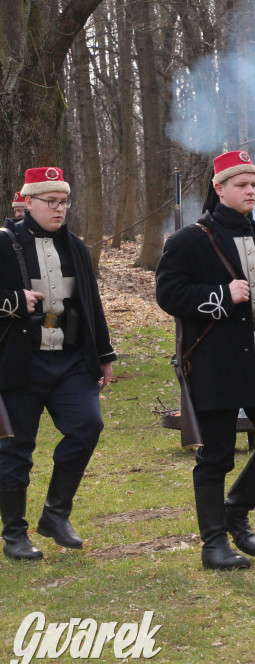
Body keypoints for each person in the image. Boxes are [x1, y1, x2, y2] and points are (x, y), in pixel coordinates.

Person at [155, 151, 255, 570]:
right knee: (216, 455)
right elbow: (169, 294)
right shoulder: (189, 240)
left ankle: (237, 508)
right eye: (241, 185)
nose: (251, 191)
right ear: (219, 188)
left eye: (253, 184)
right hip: (216, 362)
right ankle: (213, 543)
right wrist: (220, 295)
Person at [0, 167, 116, 561]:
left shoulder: (76, 247)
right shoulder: (4, 243)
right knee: (16, 449)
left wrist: (104, 355)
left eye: (63, 202)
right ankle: (15, 534)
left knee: (87, 425)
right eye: (50, 201)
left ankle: (55, 514)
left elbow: (91, 303)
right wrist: (14, 301)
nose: (59, 209)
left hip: (70, 358)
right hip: (20, 361)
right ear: (27, 202)